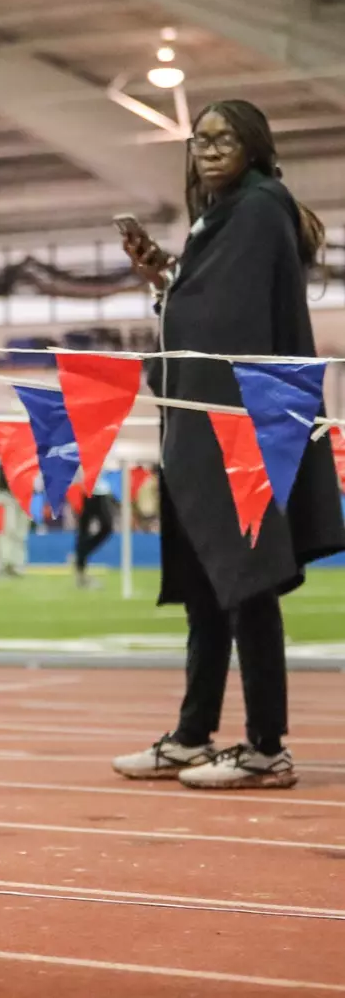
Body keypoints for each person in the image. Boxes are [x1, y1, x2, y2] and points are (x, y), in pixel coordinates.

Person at [112, 99, 344, 790]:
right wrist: (167, 278)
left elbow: (225, 316)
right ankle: (192, 735)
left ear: (254, 145)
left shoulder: (260, 207)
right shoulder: (219, 218)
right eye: (199, 140)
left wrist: (176, 290)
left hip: (239, 423)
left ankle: (267, 747)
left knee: (247, 580)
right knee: (206, 585)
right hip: (201, 418)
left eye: (224, 139)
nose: (209, 150)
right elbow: (202, 303)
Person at [73, 471, 115, 589]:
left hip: (100, 491)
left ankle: (81, 555)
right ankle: (81, 573)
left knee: (106, 527)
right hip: (87, 491)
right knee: (84, 531)